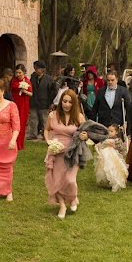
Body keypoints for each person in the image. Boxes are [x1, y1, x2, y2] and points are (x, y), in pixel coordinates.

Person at [44, 89, 85, 219]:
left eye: (70, 102)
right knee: (57, 180)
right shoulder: (53, 115)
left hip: (72, 152)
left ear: (74, 104)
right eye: (64, 101)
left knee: (70, 180)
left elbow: (85, 133)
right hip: (56, 151)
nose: (66, 104)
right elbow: (46, 130)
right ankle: (62, 204)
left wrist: (84, 136)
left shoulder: (79, 117)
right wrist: (49, 141)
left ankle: (73, 198)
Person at [94, 124, 129, 192]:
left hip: (115, 158)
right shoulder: (105, 138)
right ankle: (108, 181)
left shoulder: (118, 140)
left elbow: (122, 149)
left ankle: (116, 182)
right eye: (108, 131)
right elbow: (102, 145)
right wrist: (98, 147)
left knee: (114, 169)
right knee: (106, 169)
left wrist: (114, 146)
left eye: (111, 131)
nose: (109, 132)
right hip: (106, 158)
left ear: (116, 132)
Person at [27, 61, 55, 141]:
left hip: (44, 102)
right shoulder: (33, 77)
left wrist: (51, 102)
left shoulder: (48, 79)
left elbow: (52, 91)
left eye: (37, 68)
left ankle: (45, 135)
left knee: (45, 119)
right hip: (33, 101)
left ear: (42, 69)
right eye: (35, 68)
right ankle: (33, 134)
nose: (35, 69)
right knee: (33, 118)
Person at [9, 64, 33, 150]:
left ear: (24, 72)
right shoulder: (14, 80)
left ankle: (20, 144)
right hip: (15, 103)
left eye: (20, 72)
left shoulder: (27, 80)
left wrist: (24, 91)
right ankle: (12, 142)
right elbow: (12, 88)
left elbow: (31, 93)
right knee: (13, 123)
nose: (18, 74)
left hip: (23, 105)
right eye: (17, 72)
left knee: (21, 124)